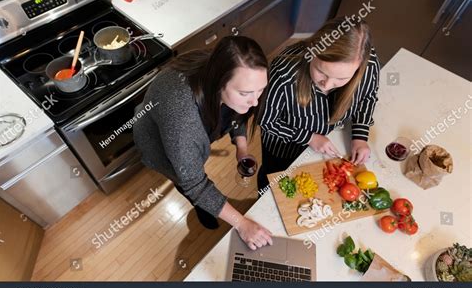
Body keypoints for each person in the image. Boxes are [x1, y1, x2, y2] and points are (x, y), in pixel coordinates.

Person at [134, 36, 273, 250]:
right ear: (219, 83)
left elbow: (236, 112)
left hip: (186, 131)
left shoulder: (220, 66)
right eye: (245, 93)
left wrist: (242, 147)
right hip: (159, 143)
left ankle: (207, 206)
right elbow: (194, 182)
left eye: (260, 90)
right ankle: (203, 209)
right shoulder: (181, 115)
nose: (255, 101)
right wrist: (241, 223)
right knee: (185, 180)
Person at [257, 18, 381, 191]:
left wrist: (360, 136)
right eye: (321, 71)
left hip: (323, 149)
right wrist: (309, 137)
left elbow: (367, 98)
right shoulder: (284, 71)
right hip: (283, 150)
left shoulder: (368, 64)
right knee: (272, 188)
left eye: (341, 79)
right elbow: (266, 120)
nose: (327, 85)